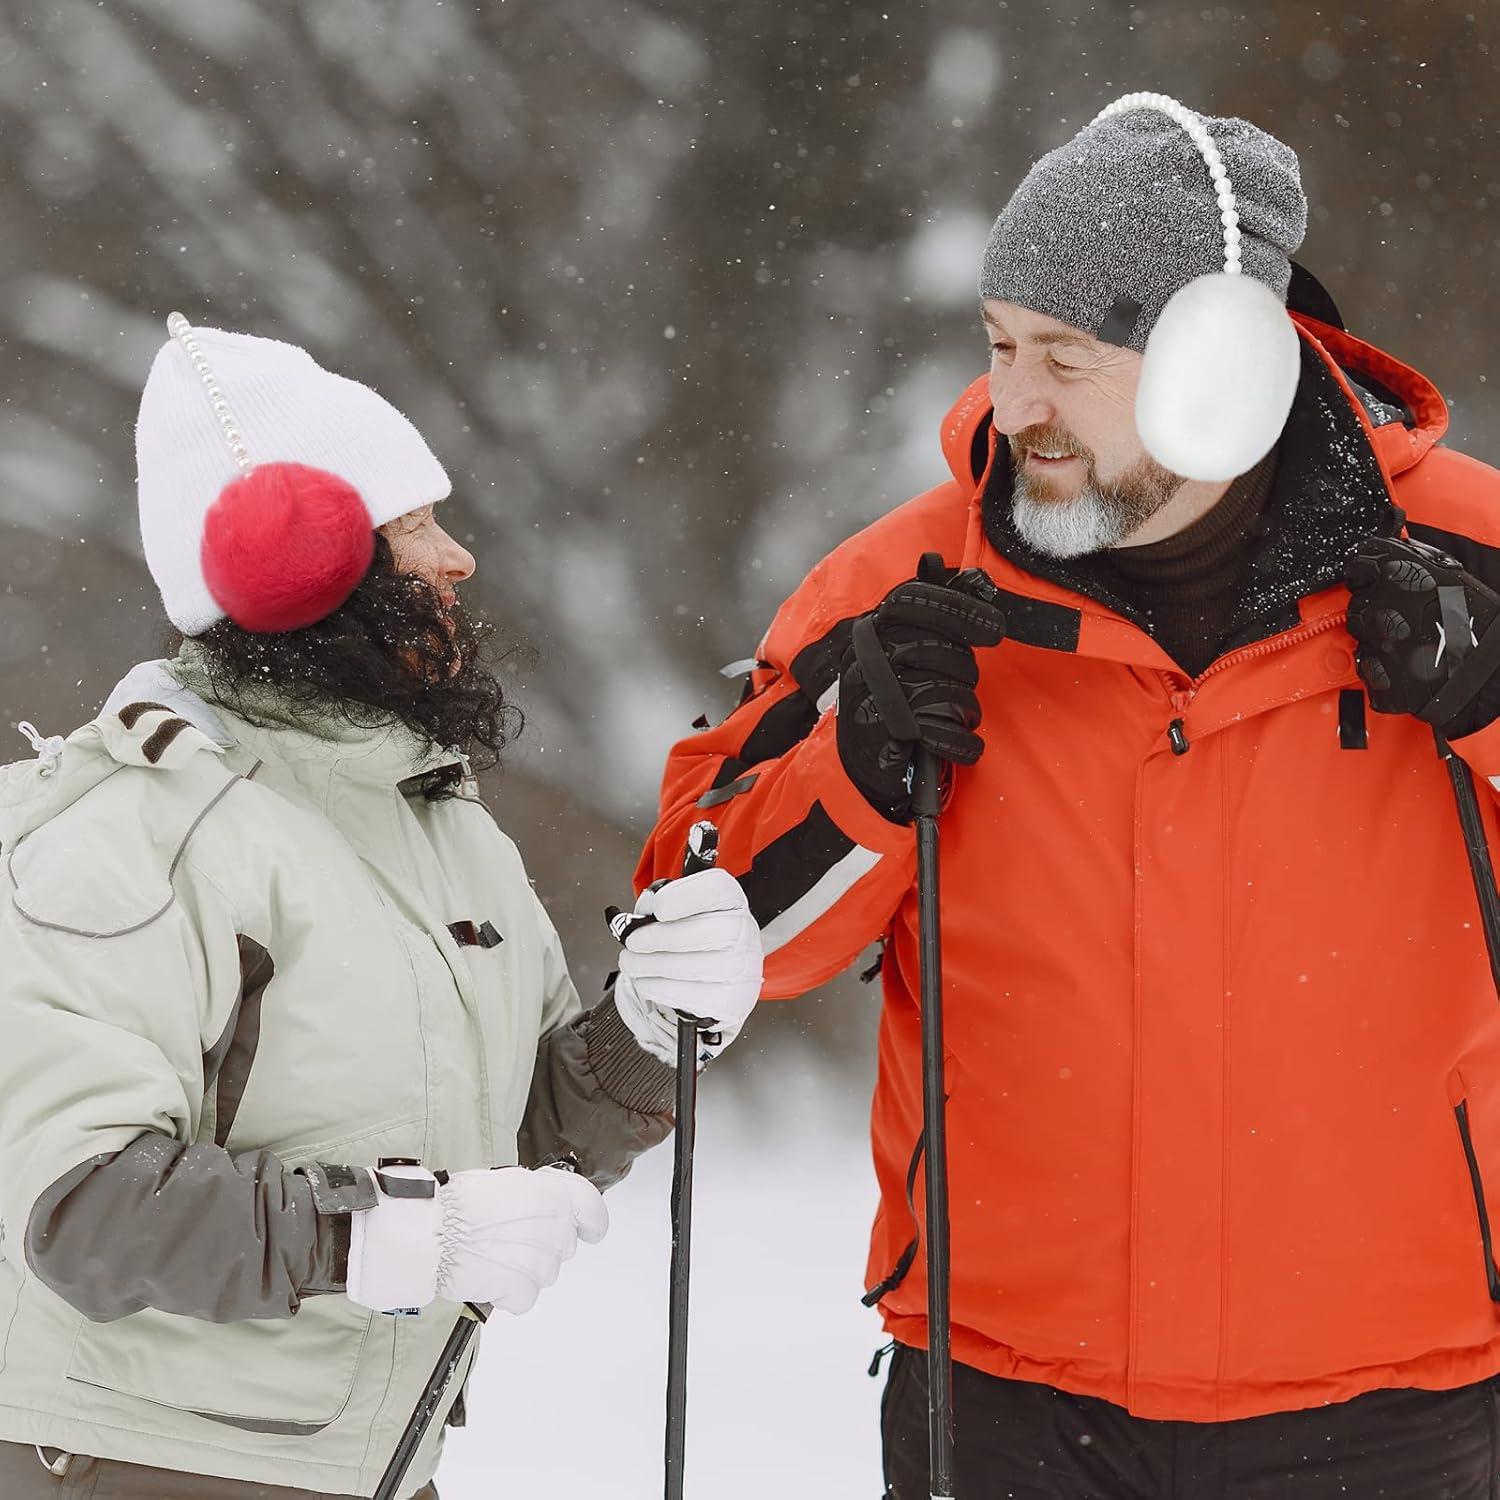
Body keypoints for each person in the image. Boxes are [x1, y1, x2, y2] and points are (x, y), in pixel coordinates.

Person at [638, 95, 1500, 1498]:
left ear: (1223, 364)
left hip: (1393, 1396)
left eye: (1066, 358)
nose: (1011, 402)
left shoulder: (1471, 555)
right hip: (1006, 1397)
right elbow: (692, 950)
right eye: (998, 347)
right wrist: (851, 776)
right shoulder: (905, 591)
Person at [0, 316, 763, 1499]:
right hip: (137, 1463)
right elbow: (82, 1210)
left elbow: (503, 1144)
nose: (458, 559)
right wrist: (383, 1235)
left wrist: (650, 1034)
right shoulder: (132, 829)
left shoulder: (437, 822)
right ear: (297, 563)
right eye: (412, 529)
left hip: (371, 1464)